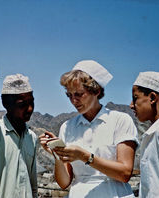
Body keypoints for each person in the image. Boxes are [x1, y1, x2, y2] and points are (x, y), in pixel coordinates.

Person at [39, 60, 139, 198]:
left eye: (79, 94)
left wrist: (85, 156)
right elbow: (64, 183)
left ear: (96, 91)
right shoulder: (67, 127)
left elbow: (125, 173)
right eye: (69, 95)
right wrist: (56, 154)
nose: (74, 101)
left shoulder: (120, 120)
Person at [0, 73, 38, 198]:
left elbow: (33, 185)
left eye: (32, 102)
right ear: (6, 104)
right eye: (22, 104)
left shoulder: (32, 137)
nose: (29, 109)